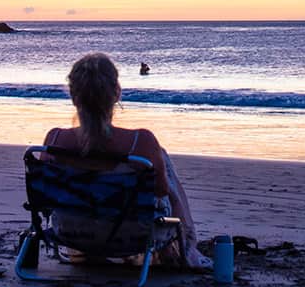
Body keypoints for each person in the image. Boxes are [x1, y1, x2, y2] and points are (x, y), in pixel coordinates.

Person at [43, 52, 210, 269]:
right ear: (116, 94)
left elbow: (47, 195)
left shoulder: (55, 139)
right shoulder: (141, 142)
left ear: (74, 96)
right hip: (132, 235)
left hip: (71, 232)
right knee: (162, 160)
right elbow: (160, 191)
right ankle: (185, 247)